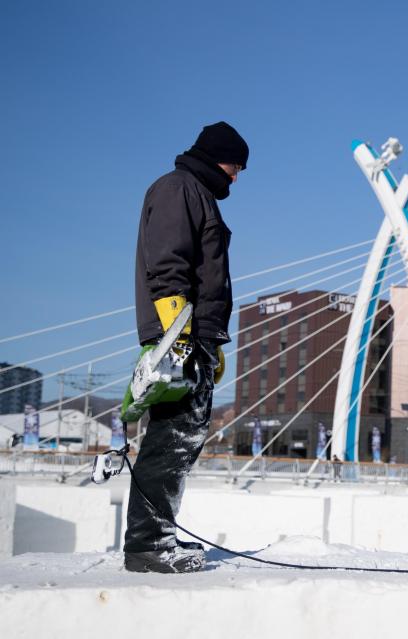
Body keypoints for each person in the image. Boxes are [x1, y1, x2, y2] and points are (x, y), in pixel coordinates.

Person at [124, 122, 249, 574]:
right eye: (236, 167)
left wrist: (212, 342)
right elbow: (169, 259)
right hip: (180, 332)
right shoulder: (179, 189)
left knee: (184, 437)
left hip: (195, 335)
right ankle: (148, 545)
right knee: (172, 436)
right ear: (219, 157)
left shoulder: (197, 193)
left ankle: (156, 536)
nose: (236, 177)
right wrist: (177, 326)